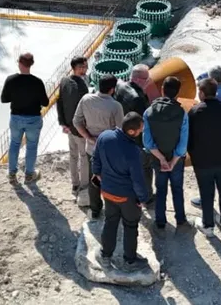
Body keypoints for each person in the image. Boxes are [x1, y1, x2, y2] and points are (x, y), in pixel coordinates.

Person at [92, 113, 150, 270]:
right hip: (126, 197)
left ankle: (105, 256)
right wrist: (143, 198)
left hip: (107, 192)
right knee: (130, 226)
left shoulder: (104, 136)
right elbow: (138, 180)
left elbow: (95, 158)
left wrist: (97, 173)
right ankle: (130, 261)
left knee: (110, 222)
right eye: (140, 129)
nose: (141, 132)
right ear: (132, 131)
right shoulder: (133, 151)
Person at [187, 77, 221, 237]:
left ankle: (208, 226)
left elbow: (189, 138)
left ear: (202, 93)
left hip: (203, 162)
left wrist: (193, 156)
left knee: (206, 193)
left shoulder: (195, 112)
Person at [73, 75, 125, 219]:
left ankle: (95, 209)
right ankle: (112, 209)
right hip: (110, 150)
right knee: (112, 179)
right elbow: (121, 130)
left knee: (94, 179)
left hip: (91, 148)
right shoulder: (115, 106)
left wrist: (89, 137)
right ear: (112, 89)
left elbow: (76, 121)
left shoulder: (86, 99)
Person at [143, 76, 189, 230]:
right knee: (177, 188)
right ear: (178, 93)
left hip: (157, 159)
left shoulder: (149, 112)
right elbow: (183, 145)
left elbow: (147, 143)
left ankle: (160, 220)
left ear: (162, 89)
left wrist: (162, 159)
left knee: (160, 188)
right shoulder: (182, 113)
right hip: (176, 160)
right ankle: (180, 219)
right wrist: (173, 161)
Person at [0, 53, 49, 183]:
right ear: (31, 64)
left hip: (16, 118)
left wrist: (16, 96)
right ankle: (29, 174)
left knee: (14, 144)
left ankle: (11, 174)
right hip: (33, 119)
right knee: (31, 146)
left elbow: (4, 99)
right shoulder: (37, 82)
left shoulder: (11, 80)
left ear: (19, 63)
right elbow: (45, 102)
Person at [116, 64, 155, 201]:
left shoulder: (120, 86)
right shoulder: (138, 98)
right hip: (136, 140)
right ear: (138, 80)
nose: (149, 81)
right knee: (145, 168)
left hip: (122, 134)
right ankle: (147, 197)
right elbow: (143, 122)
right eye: (146, 79)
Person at [56, 56, 90, 195]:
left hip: (69, 126)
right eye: (83, 67)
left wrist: (63, 123)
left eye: (86, 66)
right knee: (83, 157)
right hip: (80, 128)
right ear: (76, 68)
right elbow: (85, 109)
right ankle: (84, 185)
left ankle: (75, 184)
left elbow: (60, 103)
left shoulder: (64, 81)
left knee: (73, 156)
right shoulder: (81, 86)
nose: (85, 69)